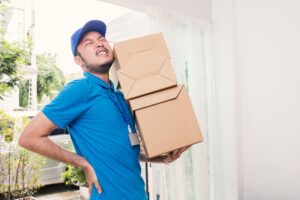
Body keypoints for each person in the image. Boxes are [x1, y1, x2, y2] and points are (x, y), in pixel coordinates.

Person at [18, 19, 188, 200]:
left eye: (101, 39)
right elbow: (29, 137)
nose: (99, 43)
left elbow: (125, 150)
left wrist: (160, 158)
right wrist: (83, 163)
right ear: (79, 60)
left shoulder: (120, 96)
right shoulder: (80, 89)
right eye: (89, 43)